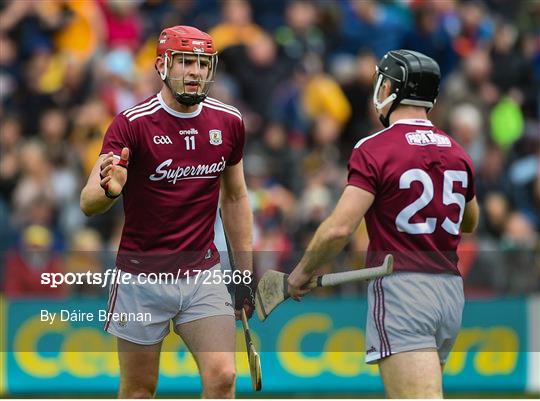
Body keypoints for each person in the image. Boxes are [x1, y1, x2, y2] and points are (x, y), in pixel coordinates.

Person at [287, 50, 479, 398]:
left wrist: (302, 271)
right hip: (450, 292)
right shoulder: (457, 150)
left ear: (390, 87)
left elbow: (339, 229)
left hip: (403, 288)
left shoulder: (374, 148)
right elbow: (469, 221)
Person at [80, 25, 253, 398]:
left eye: (203, 64)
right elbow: (88, 202)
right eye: (186, 62)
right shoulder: (131, 125)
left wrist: (245, 274)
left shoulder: (229, 122)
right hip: (140, 278)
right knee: (140, 388)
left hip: (202, 272)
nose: (196, 72)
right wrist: (111, 190)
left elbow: (236, 198)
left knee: (223, 376)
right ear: (163, 65)